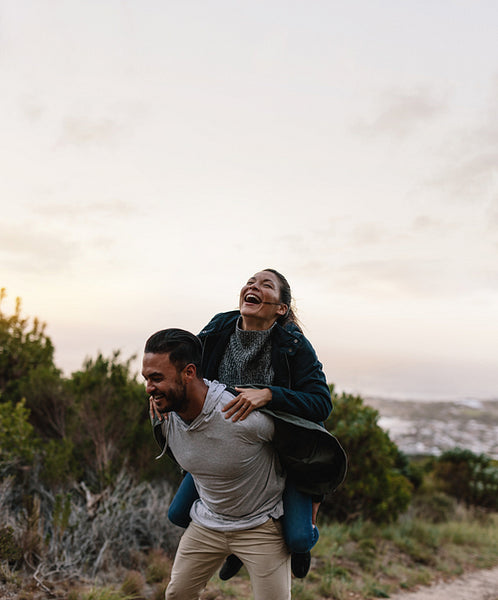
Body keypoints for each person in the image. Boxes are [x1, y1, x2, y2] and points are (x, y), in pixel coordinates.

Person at [162, 268, 333, 579]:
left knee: (295, 538)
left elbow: (321, 402)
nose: (253, 287)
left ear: (281, 309)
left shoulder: (293, 345)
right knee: (178, 514)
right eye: (250, 282)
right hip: (225, 448)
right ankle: (236, 548)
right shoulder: (218, 328)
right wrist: (164, 395)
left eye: (266, 285)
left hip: (280, 451)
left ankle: (306, 538)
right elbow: (186, 371)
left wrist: (269, 395)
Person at [143, 328, 291, 600]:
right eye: (146, 379)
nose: (149, 389)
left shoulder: (241, 416)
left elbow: (300, 444)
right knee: (177, 595)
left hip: (260, 526)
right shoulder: (163, 418)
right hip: (208, 522)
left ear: (189, 373)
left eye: (156, 378)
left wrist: (310, 503)